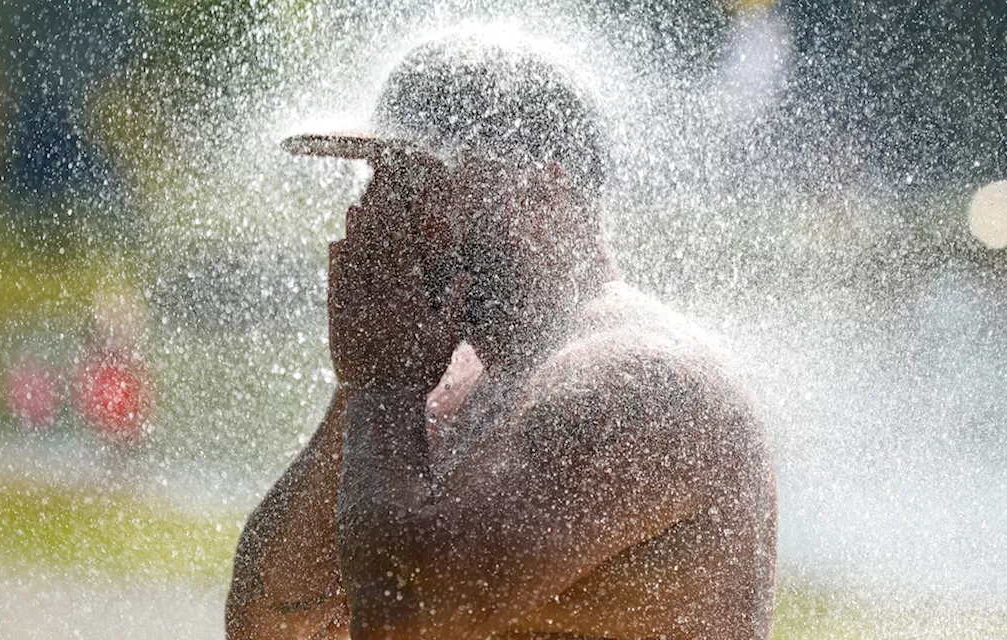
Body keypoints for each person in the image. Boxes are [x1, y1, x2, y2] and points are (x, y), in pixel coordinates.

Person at [226, 32, 777, 640]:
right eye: (378, 181)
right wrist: (365, 383)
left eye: (417, 181)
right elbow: (273, 624)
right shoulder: (449, 385)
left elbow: (405, 617)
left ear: (546, 193)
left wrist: (382, 380)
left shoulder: (643, 382)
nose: (381, 212)